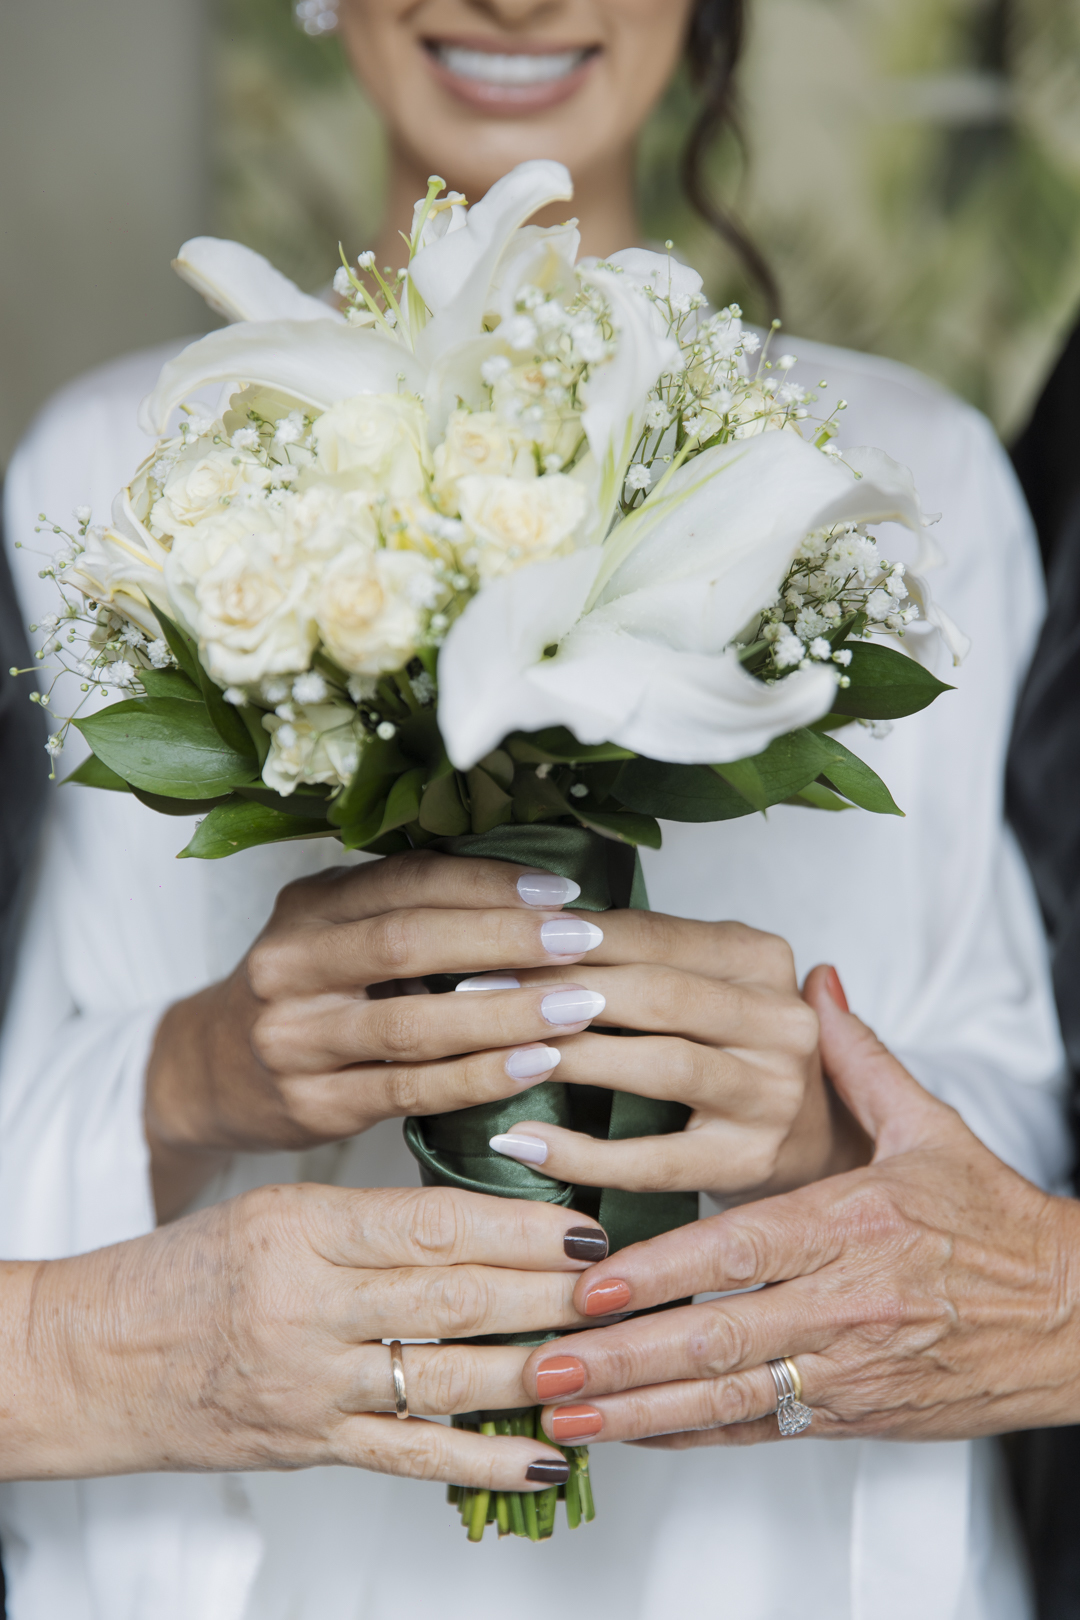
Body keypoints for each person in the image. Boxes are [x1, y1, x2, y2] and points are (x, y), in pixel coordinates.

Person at [0, 3, 1065, 1619]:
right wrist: (201, 1066)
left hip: (764, 1554)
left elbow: (1026, 1116)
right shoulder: (104, 466)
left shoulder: (915, 472)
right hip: (289, 1549)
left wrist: (822, 1117)